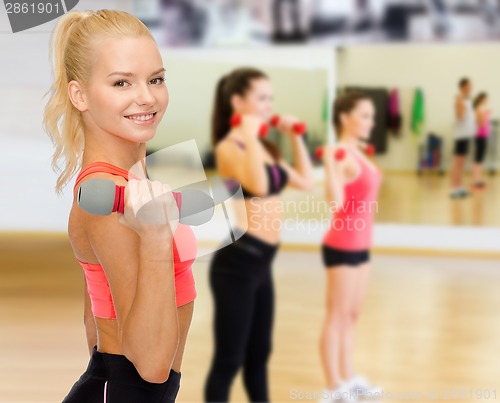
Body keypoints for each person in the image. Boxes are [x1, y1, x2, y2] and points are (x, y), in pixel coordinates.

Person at [42, 10, 196, 402]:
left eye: (156, 79)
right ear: (80, 95)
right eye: (122, 82)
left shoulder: (130, 182)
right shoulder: (107, 194)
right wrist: (158, 238)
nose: (147, 97)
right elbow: (151, 365)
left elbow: (95, 313)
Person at [204, 67, 314, 402]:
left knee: (259, 355)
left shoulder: (263, 147)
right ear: (238, 102)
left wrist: (294, 137)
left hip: (261, 264)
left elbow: (306, 181)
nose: (268, 105)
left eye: (271, 98)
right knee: (229, 360)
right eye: (261, 98)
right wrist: (249, 134)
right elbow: (261, 186)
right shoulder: (229, 147)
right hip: (236, 265)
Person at [319, 92, 383, 402]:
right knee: (337, 315)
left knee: (353, 314)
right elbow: (336, 202)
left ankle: (348, 376)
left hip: (362, 245)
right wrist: (329, 161)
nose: (371, 122)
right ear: (345, 117)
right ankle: (333, 387)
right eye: (365, 115)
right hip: (342, 245)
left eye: (372, 116)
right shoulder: (341, 154)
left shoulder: (358, 152)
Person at [450, 77, 476, 199]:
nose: (471, 87)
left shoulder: (467, 100)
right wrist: (462, 110)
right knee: (458, 163)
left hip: (467, 135)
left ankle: (459, 187)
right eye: (469, 85)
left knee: (462, 163)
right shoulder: (459, 100)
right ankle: (454, 189)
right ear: (463, 87)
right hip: (461, 135)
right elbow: (459, 117)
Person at [472, 92, 490, 189]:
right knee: (478, 158)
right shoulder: (478, 109)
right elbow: (481, 123)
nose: (486, 101)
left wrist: (486, 114)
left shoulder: (482, 109)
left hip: (484, 135)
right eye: (485, 99)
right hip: (480, 136)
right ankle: (475, 181)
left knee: (480, 159)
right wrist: (485, 114)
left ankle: (478, 180)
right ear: (481, 99)